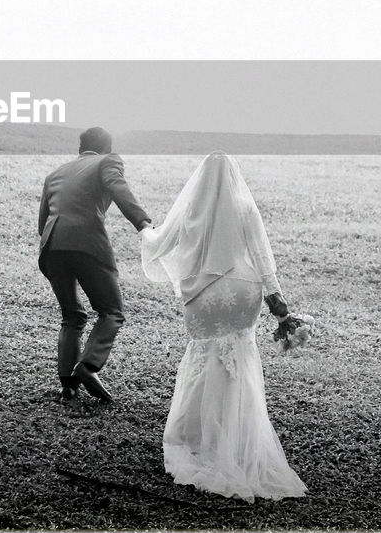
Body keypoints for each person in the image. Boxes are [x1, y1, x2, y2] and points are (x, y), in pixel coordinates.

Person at [141, 151, 307, 502]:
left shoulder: (190, 208)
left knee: (205, 357)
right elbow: (262, 258)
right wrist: (279, 306)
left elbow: (160, 244)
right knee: (240, 360)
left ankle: (200, 440)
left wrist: (145, 229)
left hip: (204, 295)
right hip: (243, 292)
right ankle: (238, 441)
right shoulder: (245, 208)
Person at [38, 126, 152, 403]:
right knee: (111, 311)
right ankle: (87, 366)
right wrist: (143, 223)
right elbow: (119, 188)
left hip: (51, 246)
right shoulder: (108, 161)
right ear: (107, 148)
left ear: (80, 149)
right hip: (87, 242)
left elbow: (42, 223)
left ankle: (68, 385)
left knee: (72, 315)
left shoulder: (54, 174)